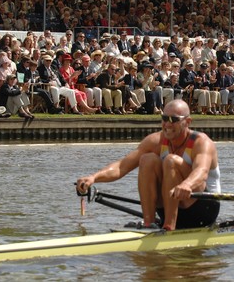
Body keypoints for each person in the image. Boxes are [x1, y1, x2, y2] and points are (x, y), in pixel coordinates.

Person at [76, 99, 221, 231]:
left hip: (202, 209)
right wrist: (93, 178)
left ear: (187, 122)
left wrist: (187, 185)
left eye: (174, 120)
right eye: (164, 118)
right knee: (147, 159)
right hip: (169, 205)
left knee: (171, 160)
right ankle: (149, 223)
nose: (168, 124)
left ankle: (169, 227)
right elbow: (122, 166)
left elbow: (201, 173)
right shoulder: (155, 141)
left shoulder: (201, 142)